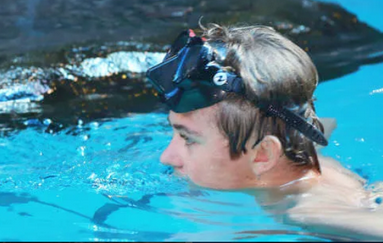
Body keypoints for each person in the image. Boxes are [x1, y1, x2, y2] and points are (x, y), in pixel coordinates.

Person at [146, 24, 383, 240]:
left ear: (263, 155)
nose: (166, 157)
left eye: (188, 138)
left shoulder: (308, 214)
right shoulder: (304, 156)